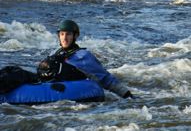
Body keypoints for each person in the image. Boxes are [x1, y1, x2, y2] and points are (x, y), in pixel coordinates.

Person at [0, 20, 133, 99]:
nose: (64, 38)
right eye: (62, 34)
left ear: (75, 36)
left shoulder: (83, 56)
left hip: (65, 87)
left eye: (68, 34)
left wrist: (127, 95)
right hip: (45, 82)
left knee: (16, 75)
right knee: (12, 70)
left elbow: (106, 79)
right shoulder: (56, 52)